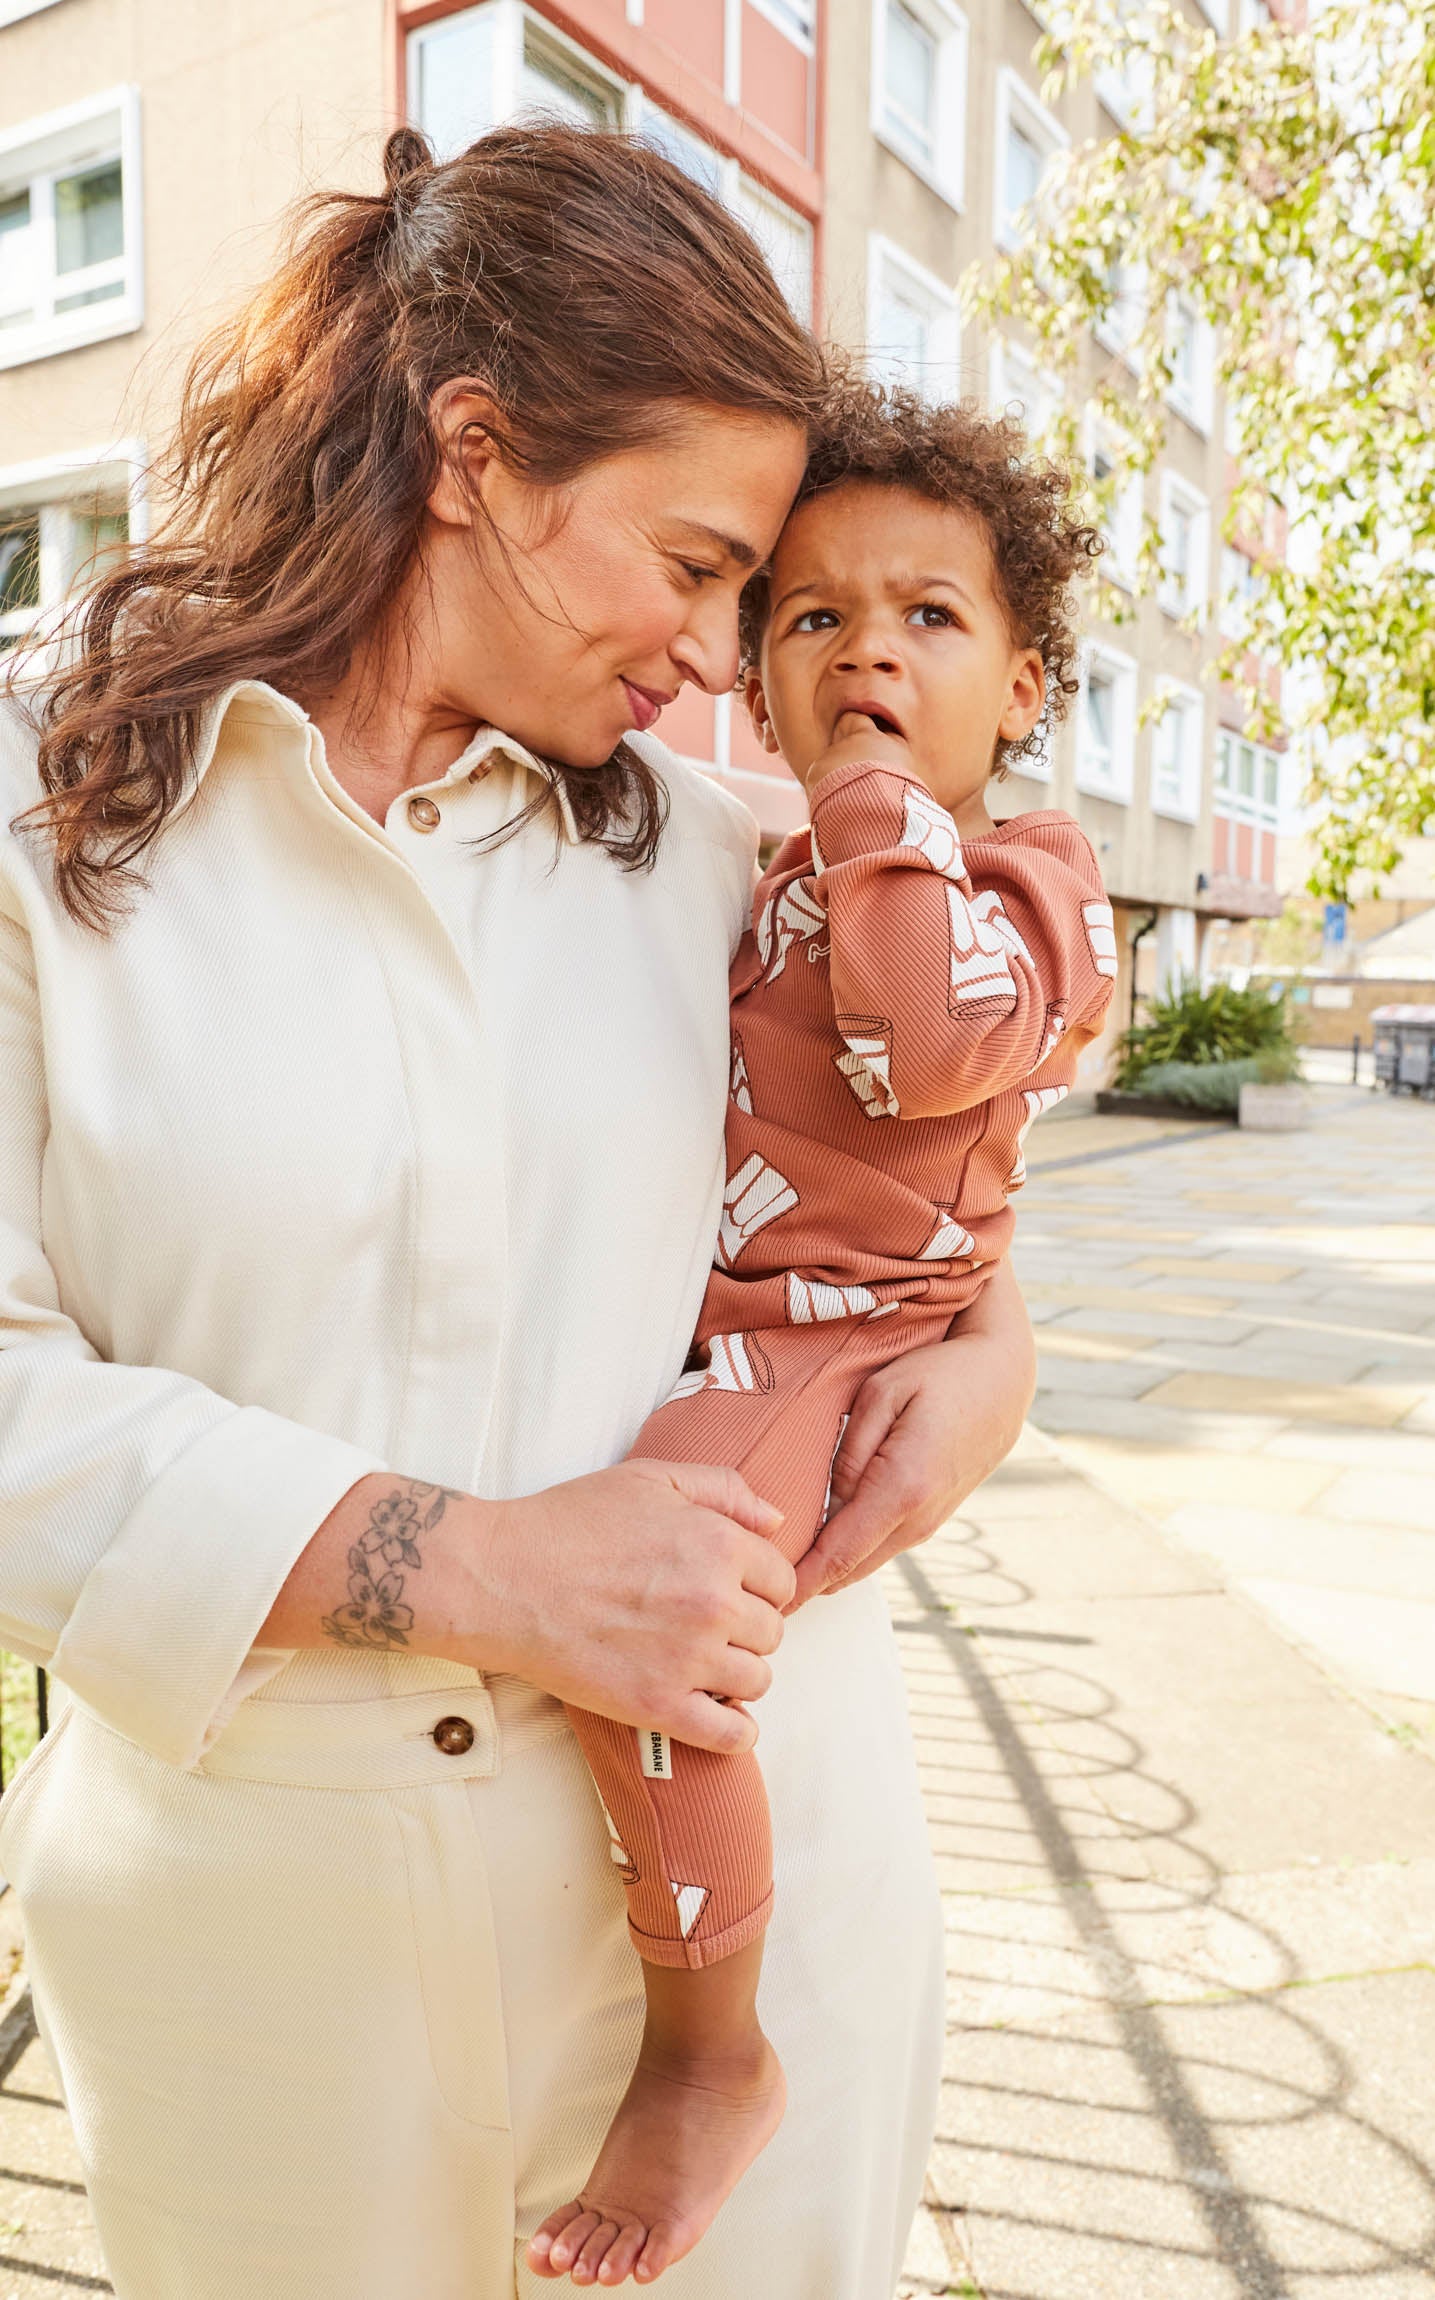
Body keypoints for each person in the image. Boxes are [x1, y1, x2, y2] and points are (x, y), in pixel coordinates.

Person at [0, 126, 1035, 2300]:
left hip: (771, 1902)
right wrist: (481, 1566)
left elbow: (899, 1181)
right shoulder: (46, 819)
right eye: (685, 561)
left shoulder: (728, 868)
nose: (704, 649)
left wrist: (995, 1353)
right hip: (257, 1963)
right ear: (476, 451)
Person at [531, 386, 1114, 2288]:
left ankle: (710, 2050)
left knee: (659, 1601)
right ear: (752, 681)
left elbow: (929, 1041)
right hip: (750, 1305)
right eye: (812, 617)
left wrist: (874, 807)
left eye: (932, 618)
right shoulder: (759, 864)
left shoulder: (1038, 881)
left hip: (830, 1344)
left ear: (1024, 685)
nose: (870, 647)